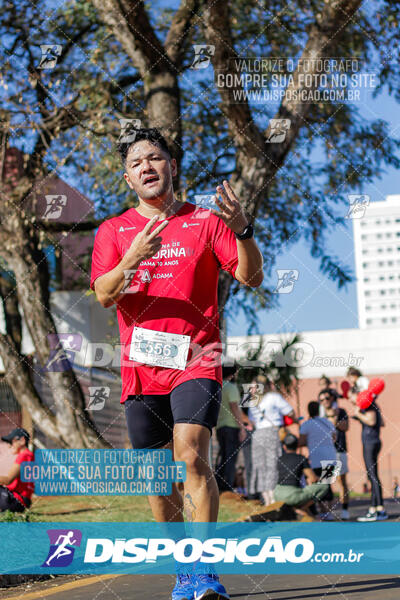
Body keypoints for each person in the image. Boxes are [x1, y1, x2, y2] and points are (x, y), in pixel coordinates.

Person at [90, 127, 263, 600]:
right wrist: (131, 258)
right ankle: (183, 570)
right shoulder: (113, 231)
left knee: (190, 452)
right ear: (128, 178)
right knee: (157, 475)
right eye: (136, 162)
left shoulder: (204, 223)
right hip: (140, 368)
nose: (147, 166)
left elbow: (251, 276)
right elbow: (104, 295)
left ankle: (204, 571)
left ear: (171, 166)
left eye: (155, 157)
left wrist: (243, 230)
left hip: (197, 358)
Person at [247, 379, 295, 506]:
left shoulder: (252, 402)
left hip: (257, 435)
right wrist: (293, 421)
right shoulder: (273, 397)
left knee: (260, 467)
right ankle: (273, 500)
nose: (252, 390)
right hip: (272, 433)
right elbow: (290, 412)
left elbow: (251, 421)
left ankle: (267, 500)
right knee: (272, 465)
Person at [348, 397, 388, 521]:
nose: (350, 399)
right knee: (372, 475)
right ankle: (375, 509)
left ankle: (378, 509)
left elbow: (372, 421)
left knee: (372, 475)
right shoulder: (371, 406)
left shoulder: (369, 405)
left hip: (370, 443)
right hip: (372, 442)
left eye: (352, 396)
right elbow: (381, 423)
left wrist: (358, 414)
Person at [298, 401, 337, 520]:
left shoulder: (306, 424)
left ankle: (323, 511)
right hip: (331, 456)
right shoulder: (327, 422)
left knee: (319, 485)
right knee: (328, 483)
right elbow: (334, 436)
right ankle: (329, 511)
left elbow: (301, 441)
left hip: (317, 458)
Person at [274, 433, 329, 516]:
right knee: (324, 486)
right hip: (293, 495)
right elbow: (312, 478)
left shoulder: (279, 459)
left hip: (277, 494)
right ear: (297, 446)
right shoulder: (301, 458)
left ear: (284, 447)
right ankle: (300, 508)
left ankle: (293, 509)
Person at [215, 365, 248, 493]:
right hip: (231, 426)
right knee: (231, 458)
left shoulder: (218, 386)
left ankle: (218, 484)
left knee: (223, 456)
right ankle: (227, 487)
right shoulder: (231, 387)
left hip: (220, 426)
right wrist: (242, 427)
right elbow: (234, 406)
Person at [319, 389, 350, 520]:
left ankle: (345, 509)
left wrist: (335, 418)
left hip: (339, 450)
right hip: (327, 452)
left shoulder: (341, 411)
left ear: (332, 398)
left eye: (327, 398)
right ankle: (328, 511)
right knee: (327, 481)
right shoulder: (320, 415)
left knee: (341, 481)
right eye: (321, 399)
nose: (325, 401)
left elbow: (345, 426)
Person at [0, 428, 34, 512]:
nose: (9, 446)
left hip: (18, 500)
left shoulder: (24, 456)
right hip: (22, 500)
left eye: (11, 442)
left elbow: (8, 480)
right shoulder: (29, 455)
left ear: (22, 441)